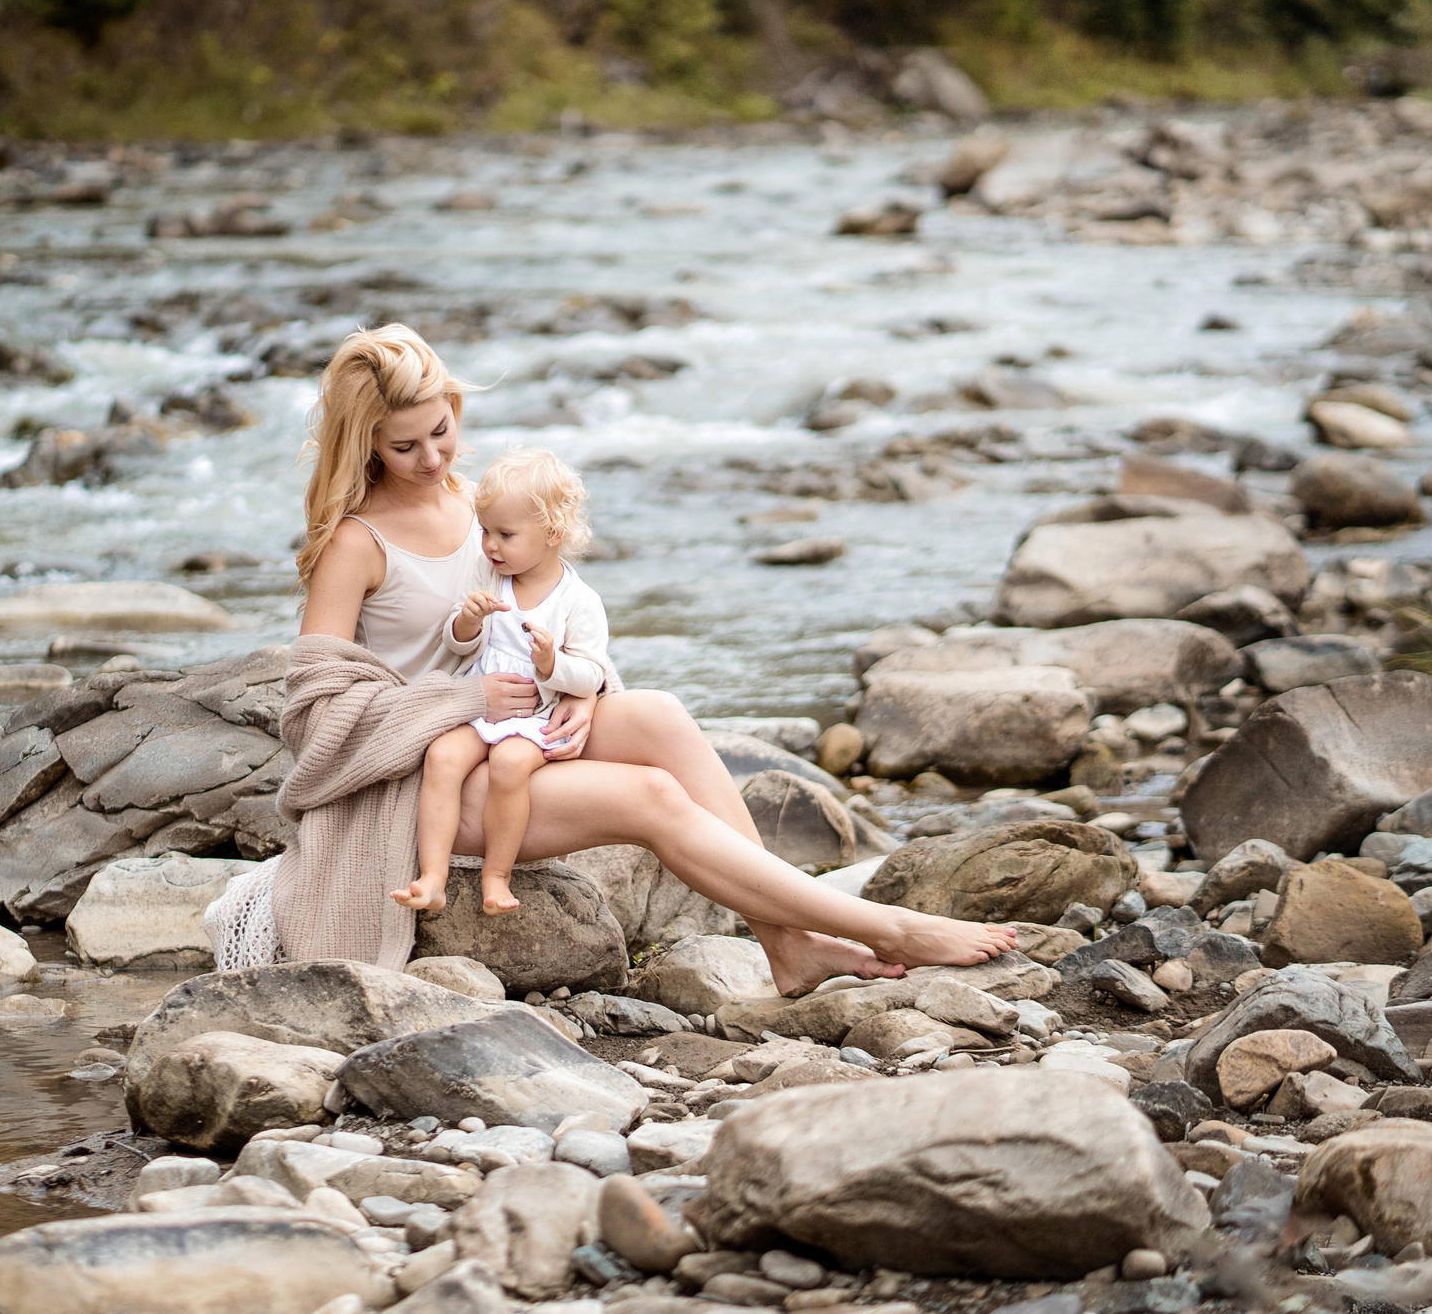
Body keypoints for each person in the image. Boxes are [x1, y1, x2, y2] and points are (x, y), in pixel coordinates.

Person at [281, 323, 1015, 993]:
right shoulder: (356, 543)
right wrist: (466, 703)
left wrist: (583, 687)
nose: (432, 458)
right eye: (404, 447)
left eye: (440, 431)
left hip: (517, 727)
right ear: (366, 442)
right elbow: (315, 721)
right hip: (422, 779)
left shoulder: (481, 504)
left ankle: (789, 943)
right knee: (651, 796)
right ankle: (883, 927)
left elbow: (555, 609)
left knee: (659, 715)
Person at [394, 448, 613, 917]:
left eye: (506, 534)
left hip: (535, 715)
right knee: (442, 755)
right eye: (486, 531)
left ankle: (497, 873)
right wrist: (467, 622)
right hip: (483, 700)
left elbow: (593, 673)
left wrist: (553, 663)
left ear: (553, 534)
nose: (491, 545)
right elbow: (457, 643)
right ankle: (433, 875)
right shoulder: (490, 575)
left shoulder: (579, 601)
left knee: (510, 765)